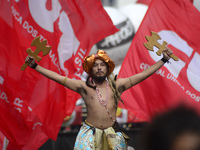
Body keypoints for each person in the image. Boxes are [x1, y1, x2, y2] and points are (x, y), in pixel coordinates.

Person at [25, 48, 173, 150]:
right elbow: (58, 78)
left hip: (112, 135)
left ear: (108, 68)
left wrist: (163, 60)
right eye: (95, 66)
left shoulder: (118, 85)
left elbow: (142, 75)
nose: (99, 68)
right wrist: (35, 66)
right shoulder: (84, 87)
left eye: (102, 65)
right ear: (90, 70)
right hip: (89, 134)